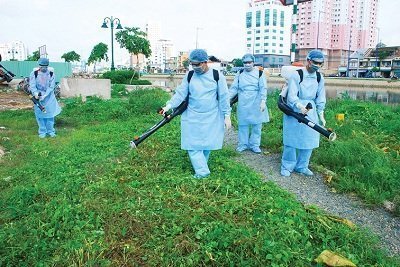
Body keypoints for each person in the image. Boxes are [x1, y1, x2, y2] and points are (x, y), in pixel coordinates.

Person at [159, 49, 231, 179]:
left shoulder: (217, 76)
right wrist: (168, 105)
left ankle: (202, 167)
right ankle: (202, 172)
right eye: (192, 64)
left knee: (206, 144)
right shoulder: (190, 75)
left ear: (205, 62)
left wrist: (227, 115)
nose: (195, 67)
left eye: (197, 64)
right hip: (192, 115)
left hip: (212, 116)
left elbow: (224, 96)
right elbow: (180, 93)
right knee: (192, 144)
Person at [280, 50, 326, 177]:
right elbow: (292, 95)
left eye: (320, 64)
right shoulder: (297, 75)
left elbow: (321, 96)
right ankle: (287, 165)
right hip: (295, 110)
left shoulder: (319, 77)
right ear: (309, 61)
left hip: (311, 110)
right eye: (316, 62)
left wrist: (321, 112)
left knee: (309, 139)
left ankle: (302, 166)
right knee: (291, 138)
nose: (318, 65)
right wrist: (299, 106)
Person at [229, 53, 269, 153]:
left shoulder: (259, 73)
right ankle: (243, 144)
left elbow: (263, 88)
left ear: (253, 62)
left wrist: (263, 101)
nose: (247, 64)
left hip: (256, 100)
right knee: (243, 124)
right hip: (243, 100)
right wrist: (227, 98)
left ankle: (255, 145)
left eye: (249, 62)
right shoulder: (240, 73)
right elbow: (234, 88)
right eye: (245, 62)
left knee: (257, 125)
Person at [29, 57, 61, 138]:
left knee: (50, 114)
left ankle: (51, 131)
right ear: (39, 66)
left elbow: (51, 86)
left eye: (45, 67)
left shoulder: (51, 74)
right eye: (42, 67)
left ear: (47, 66)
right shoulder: (34, 73)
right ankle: (42, 131)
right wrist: (36, 93)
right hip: (38, 97)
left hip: (49, 97)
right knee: (40, 114)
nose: (44, 68)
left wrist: (45, 95)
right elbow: (32, 85)